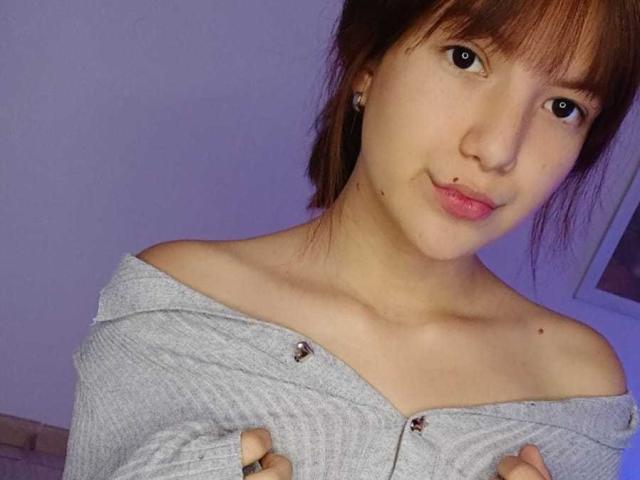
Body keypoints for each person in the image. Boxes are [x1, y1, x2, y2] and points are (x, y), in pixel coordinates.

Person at [62, 1, 640, 479]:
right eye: (465, 58)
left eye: (563, 107)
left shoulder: (578, 391)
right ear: (368, 64)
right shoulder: (176, 311)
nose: (497, 150)